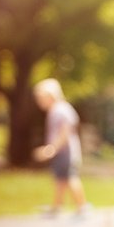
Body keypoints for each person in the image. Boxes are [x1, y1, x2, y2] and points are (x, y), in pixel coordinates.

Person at [31, 78, 90, 218]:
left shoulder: (60, 110)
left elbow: (66, 131)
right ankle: (57, 206)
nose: (39, 102)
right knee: (60, 179)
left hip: (66, 152)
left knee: (70, 177)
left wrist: (51, 149)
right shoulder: (56, 110)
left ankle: (82, 207)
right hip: (61, 152)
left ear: (50, 96)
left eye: (41, 98)